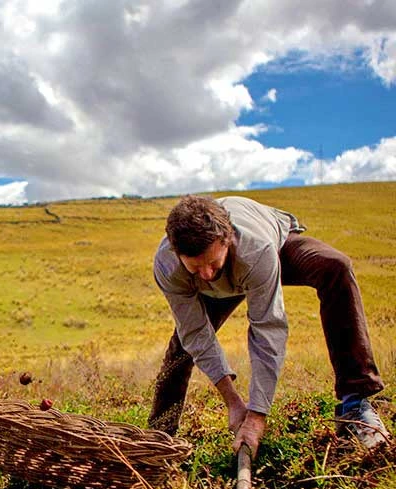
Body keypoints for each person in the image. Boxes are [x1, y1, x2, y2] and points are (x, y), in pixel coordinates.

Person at [149, 194, 390, 456]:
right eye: (196, 267)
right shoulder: (167, 265)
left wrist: (256, 416)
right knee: (181, 349)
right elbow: (196, 333)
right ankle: (159, 440)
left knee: (335, 267)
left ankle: (355, 406)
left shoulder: (256, 250)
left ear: (226, 240)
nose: (207, 274)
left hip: (268, 251)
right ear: (177, 254)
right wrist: (232, 401)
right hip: (223, 280)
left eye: (212, 263)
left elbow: (267, 329)